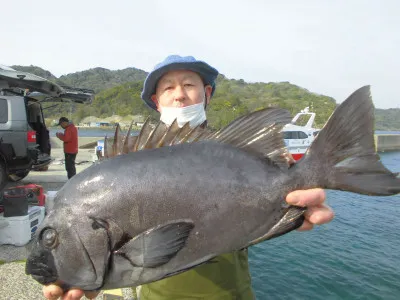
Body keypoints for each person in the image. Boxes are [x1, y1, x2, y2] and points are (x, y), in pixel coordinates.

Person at [42, 56, 334, 300]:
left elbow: (255, 204)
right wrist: (85, 270)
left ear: (207, 94)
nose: (179, 94)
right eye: (168, 87)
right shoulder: (119, 164)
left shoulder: (232, 149)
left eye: (189, 85)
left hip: (231, 293)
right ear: (157, 102)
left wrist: (293, 208)